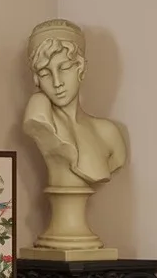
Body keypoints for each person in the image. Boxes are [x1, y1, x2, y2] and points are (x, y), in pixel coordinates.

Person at [23, 19, 126, 189]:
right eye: (45, 73)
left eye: (64, 68)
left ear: (81, 69)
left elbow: (118, 159)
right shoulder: (40, 116)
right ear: (37, 80)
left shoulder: (109, 133)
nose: (57, 82)